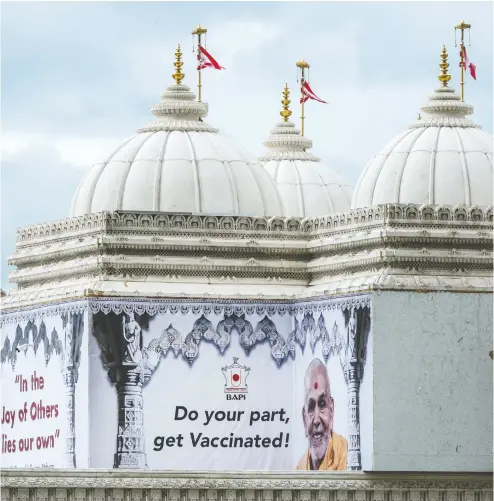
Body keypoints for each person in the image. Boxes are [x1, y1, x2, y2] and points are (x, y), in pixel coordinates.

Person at [296, 358, 347, 470]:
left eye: (322, 404)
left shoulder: (346, 454)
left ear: (331, 410)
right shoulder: (300, 468)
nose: (316, 420)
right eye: (310, 408)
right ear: (304, 420)